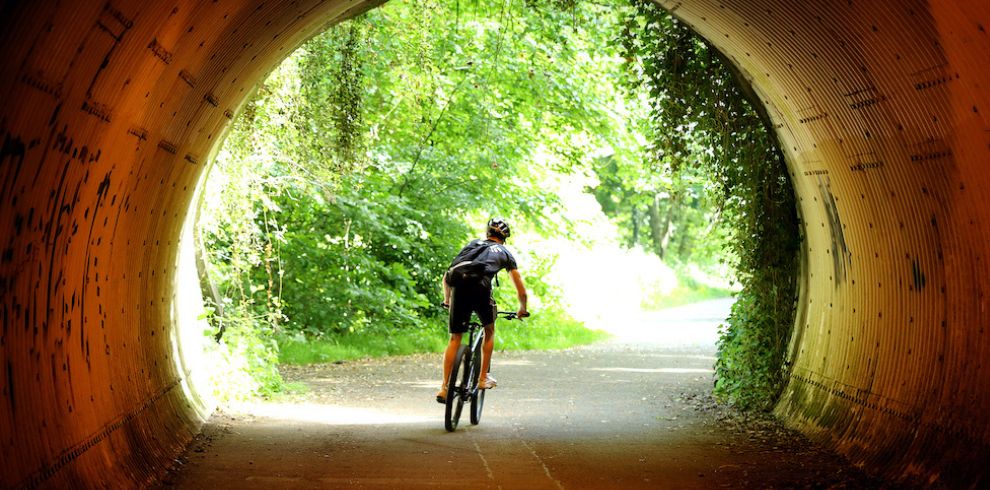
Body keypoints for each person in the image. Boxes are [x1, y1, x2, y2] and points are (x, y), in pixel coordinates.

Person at [437, 218, 528, 403]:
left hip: (458, 285)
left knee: (455, 338)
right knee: (489, 330)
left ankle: (445, 388)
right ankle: (482, 378)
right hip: (480, 287)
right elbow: (521, 290)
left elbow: (448, 275)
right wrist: (522, 309)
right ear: (504, 238)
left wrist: (447, 300)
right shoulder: (505, 253)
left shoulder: (471, 245)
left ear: (487, 234)